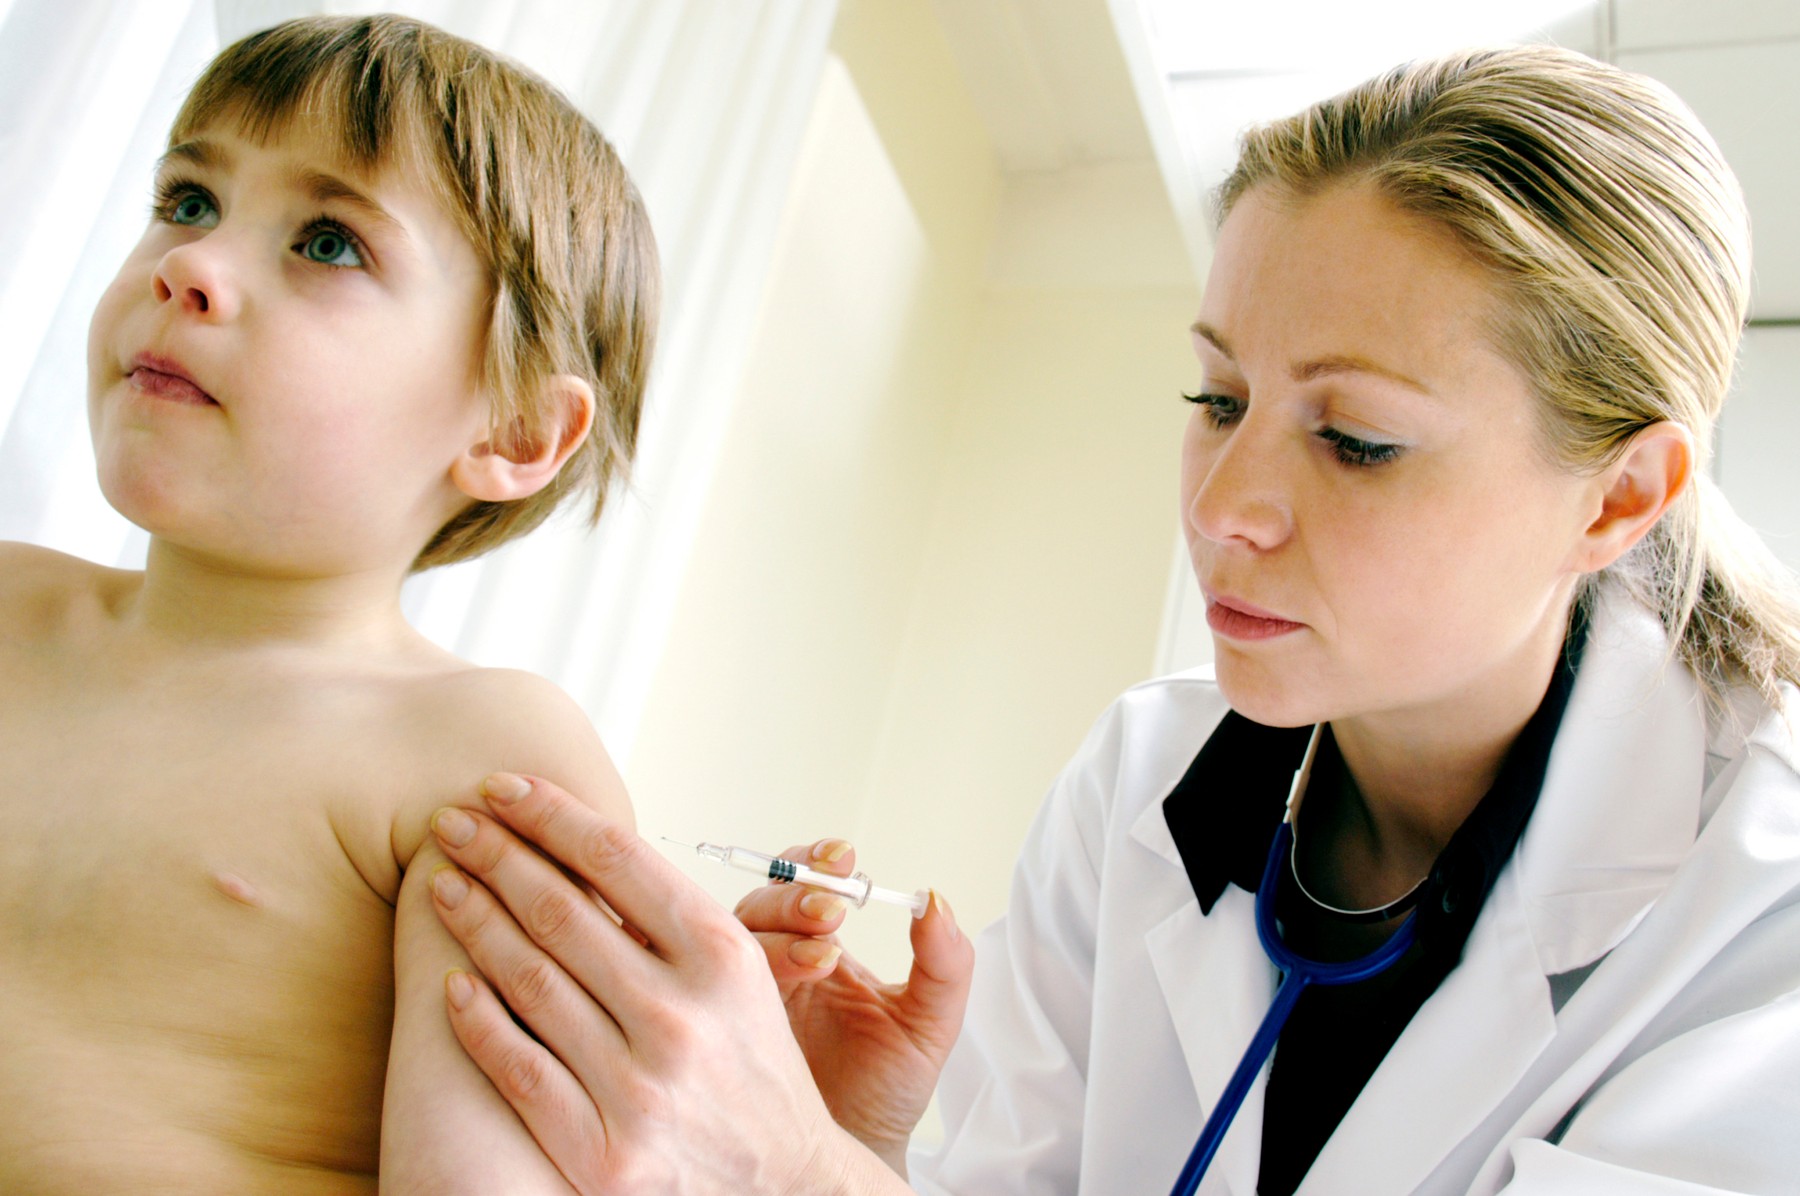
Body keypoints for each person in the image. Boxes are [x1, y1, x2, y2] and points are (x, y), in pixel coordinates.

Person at [420, 42, 1800, 1195]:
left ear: (1621, 496)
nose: (1225, 507)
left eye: (1360, 441)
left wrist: (795, 1173)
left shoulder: (1763, 912)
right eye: (1217, 400)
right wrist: (863, 1145)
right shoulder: (1141, 786)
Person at [0, 14, 657, 1192]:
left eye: (326, 241)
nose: (187, 267)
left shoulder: (476, 756)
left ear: (513, 429)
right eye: (189, 200)